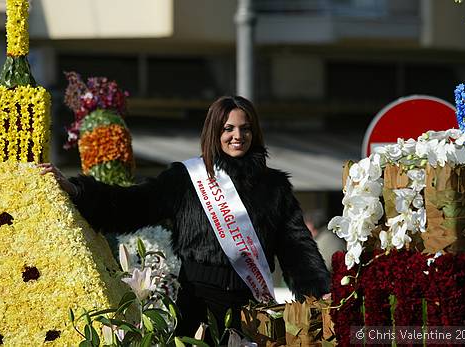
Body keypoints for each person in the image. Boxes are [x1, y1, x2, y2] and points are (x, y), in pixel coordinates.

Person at [40, 95, 330, 338]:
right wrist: (78, 191)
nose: (237, 136)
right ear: (214, 132)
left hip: (251, 311)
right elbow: (131, 204)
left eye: (245, 129)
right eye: (228, 128)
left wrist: (320, 293)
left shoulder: (274, 186)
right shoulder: (186, 179)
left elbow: (297, 248)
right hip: (196, 306)